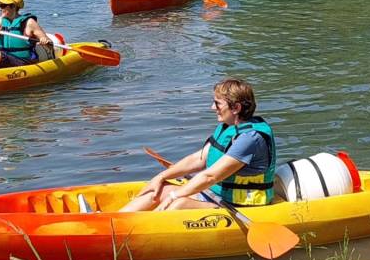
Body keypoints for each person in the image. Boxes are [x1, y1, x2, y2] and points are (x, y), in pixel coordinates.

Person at [119, 78, 277, 212]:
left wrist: (176, 195)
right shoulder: (229, 128)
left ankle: (134, 231)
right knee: (161, 190)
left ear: (236, 108)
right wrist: (161, 177)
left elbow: (210, 176)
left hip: (241, 205)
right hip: (217, 195)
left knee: (178, 204)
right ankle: (115, 219)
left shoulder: (250, 139)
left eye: (217, 104)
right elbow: (198, 160)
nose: (212, 107)